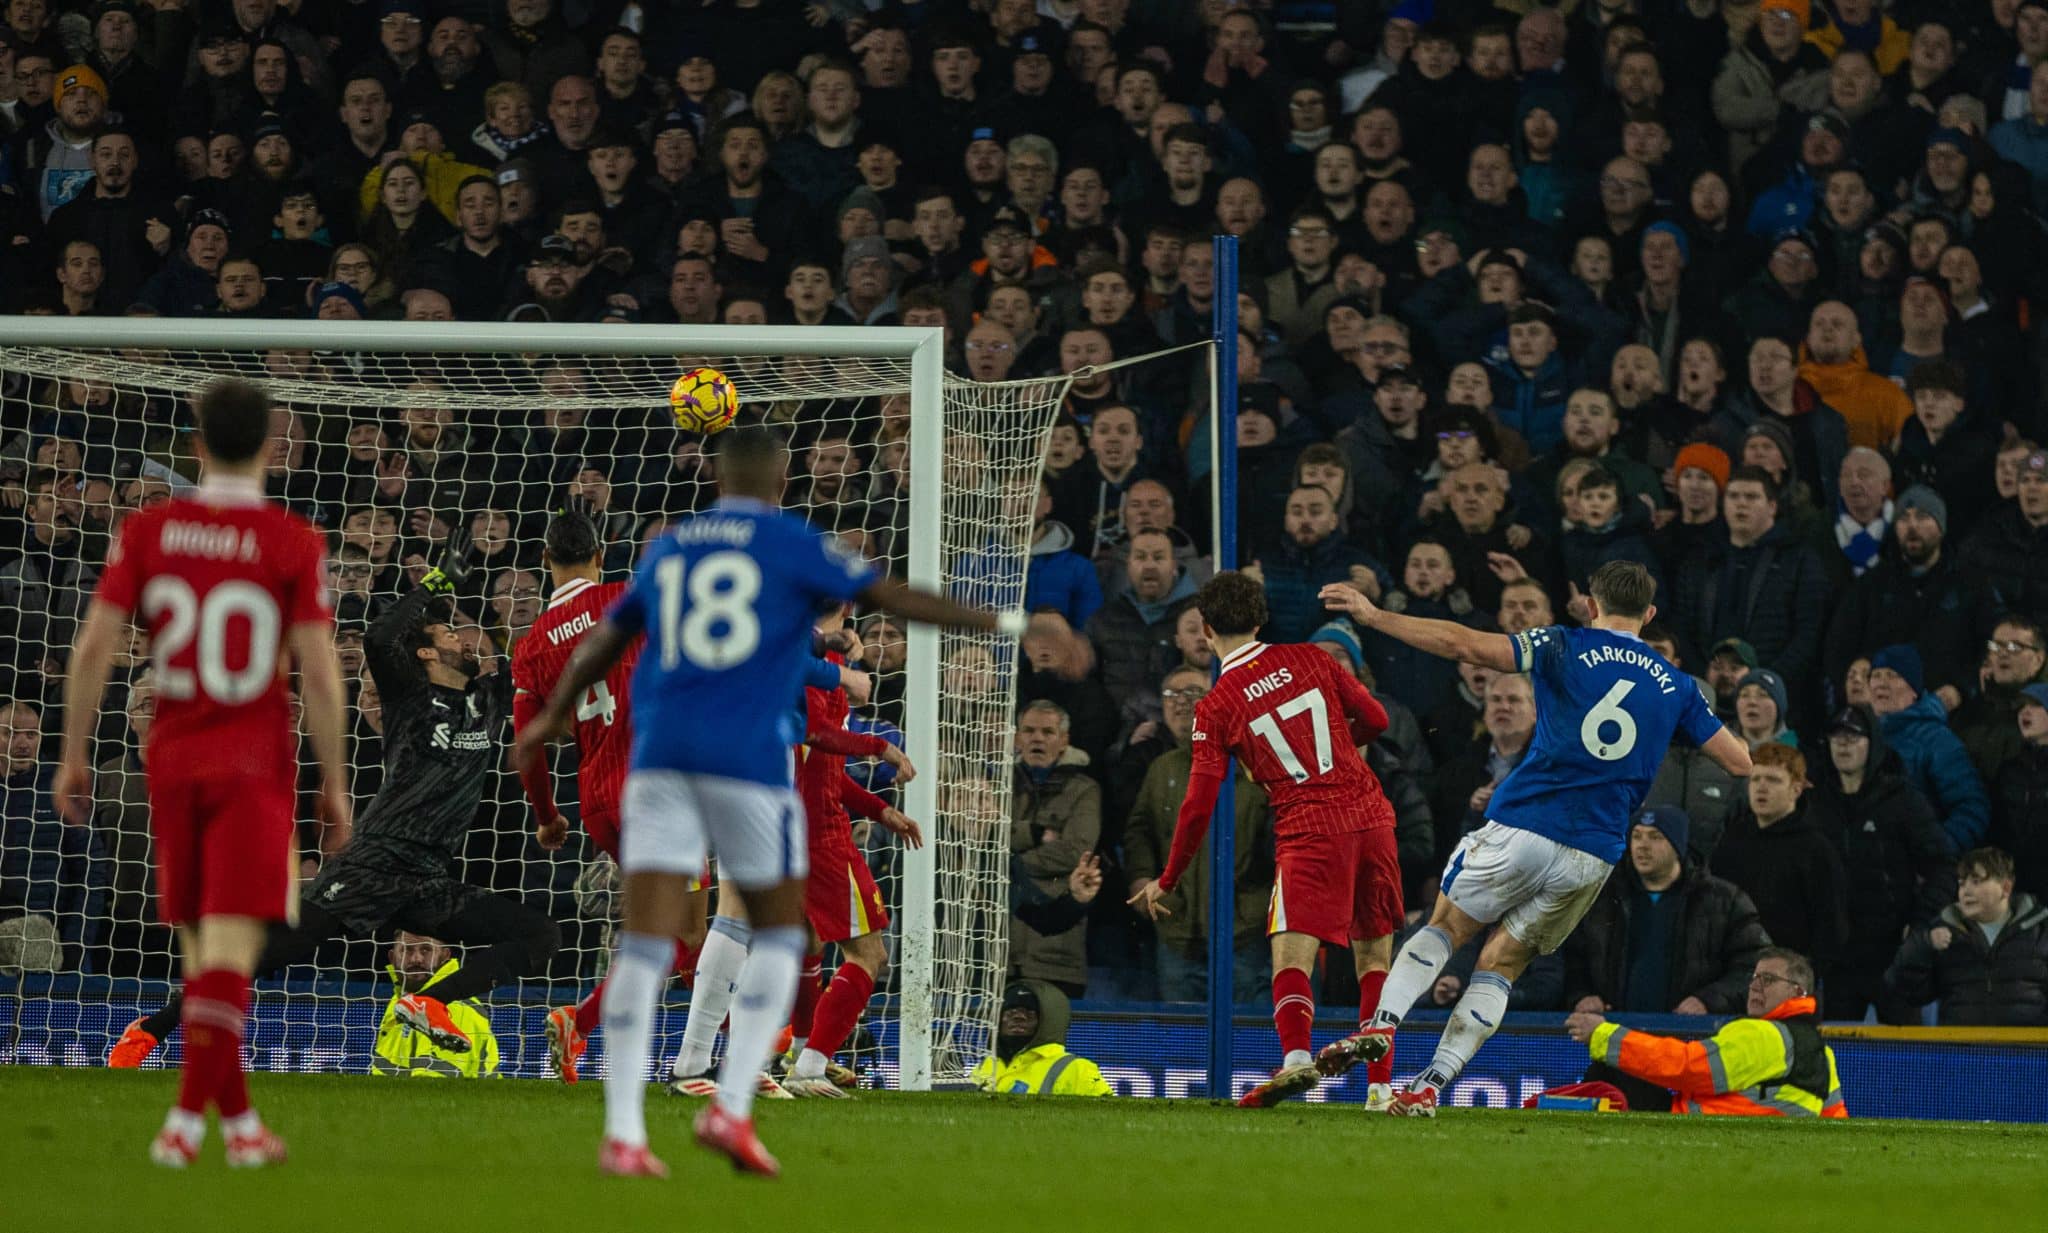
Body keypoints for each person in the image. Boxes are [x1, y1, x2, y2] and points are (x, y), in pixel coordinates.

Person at [513, 426, 1060, 1178]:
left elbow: (606, 640)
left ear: (716, 477)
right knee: (779, 937)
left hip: (659, 758)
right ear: (779, 484)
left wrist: (549, 715)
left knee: (646, 942)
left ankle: (624, 1134)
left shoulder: (671, 547)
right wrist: (1000, 620)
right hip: (744, 760)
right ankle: (729, 1108)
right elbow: (890, 594)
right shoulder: (789, 540)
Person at [108, 529, 560, 1080]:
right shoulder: (411, 697)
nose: (467, 640)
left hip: (430, 876)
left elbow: (544, 651)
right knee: (266, 956)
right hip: (376, 862)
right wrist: (439, 584)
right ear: (424, 651)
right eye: (450, 632)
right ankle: (148, 1031)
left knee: (541, 934)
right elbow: (380, 635)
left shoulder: (488, 702)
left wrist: (566, 576)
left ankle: (434, 1002)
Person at [1317, 560, 1751, 1116]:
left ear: (1592, 606)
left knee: (1446, 926)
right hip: (1593, 852)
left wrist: (1376, 616)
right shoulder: (1677, 685)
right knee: (1502, 964)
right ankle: (1430, 1084)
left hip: (1526, 821)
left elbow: (1462, 644)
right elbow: (1738, 762)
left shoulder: (1562, 644)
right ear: (1649, 614)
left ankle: (1382, 1024)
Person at [56, 378, 349, 1168]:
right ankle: (184, 1124)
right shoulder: (292, 540)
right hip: (251, 761)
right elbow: (321, 673)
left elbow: (92, 647)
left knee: (199, 952)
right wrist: (336, 780)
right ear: (267, 448)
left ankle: (242, 1125)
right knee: (227, 951)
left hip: (171, 759)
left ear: (195, 446)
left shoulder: (151, 528)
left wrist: (75, 750)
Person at [1128, 571, 1405, 1110]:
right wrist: (1342, 751)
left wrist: (1168, 878)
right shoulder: (1314, 658)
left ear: (1206, 629)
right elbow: (1376, 717)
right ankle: (1380, 1088)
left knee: (1291, 958)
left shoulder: (1217, 705)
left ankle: (1298, 1059)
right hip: (1372, 816)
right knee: (1374, 959)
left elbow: (1198, 804)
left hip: (1310, 828)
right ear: (1260, 620)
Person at [1566, 947, 1848, 1117]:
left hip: (1692, 1130)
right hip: (1764, 1149)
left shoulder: (1763, 1034)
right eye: (1754, 978)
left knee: (1610, 1072)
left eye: (1769, 979)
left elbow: (1687, 1068)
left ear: (1797, 992)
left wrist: (1604, 1035)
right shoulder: (1823, 1054)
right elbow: (1835, 1119)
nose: (1755, 986)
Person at [1561, 806, 1770, 1025]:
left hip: (1690, 1036)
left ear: (1678, 846)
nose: (1643, 845)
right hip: (1612, 1033)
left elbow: (1753, 963)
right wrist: (1581, 995)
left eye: (1656, 837)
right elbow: (1573, 958)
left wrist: (1709, 1000)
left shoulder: (1723, 901)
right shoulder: (1602, 899)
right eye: (1636, 836)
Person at [1886, 848, 2048, 1026]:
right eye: (1962, 883)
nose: (1965, 892)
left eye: (1976, 882)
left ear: (2006, 888)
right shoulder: (1942, 930)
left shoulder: (2041, 931)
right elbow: (1907, 991)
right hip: (1961, 1051)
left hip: (2029, 1051)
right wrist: (1923, 945)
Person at [372, 932, 501, 1079]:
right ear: (392, 957)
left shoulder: (455, 1008)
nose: (416, 959)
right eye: (407, 950)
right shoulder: (402, 997)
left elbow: (436, 1088)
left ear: (445, 955)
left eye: (426, 950)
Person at [969, 979, 1114, 1097]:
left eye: (1029, 1012)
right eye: (1010, 1012)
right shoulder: (987, 1065)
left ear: (1049, 1020)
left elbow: (1107, 1118)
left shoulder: (1076, 1069)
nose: (1018, 1017)